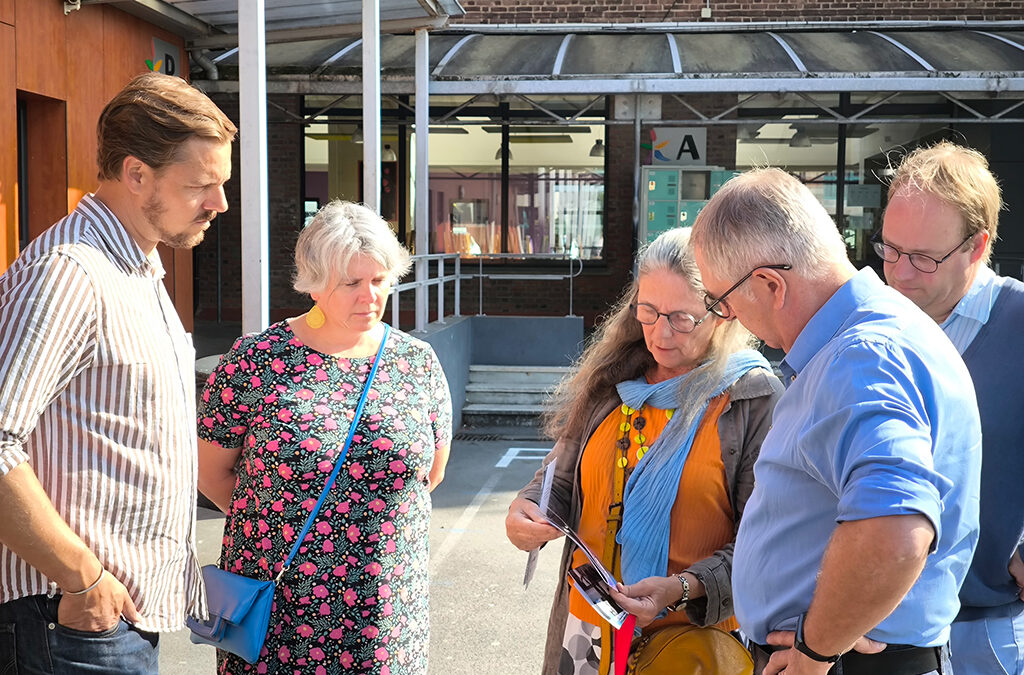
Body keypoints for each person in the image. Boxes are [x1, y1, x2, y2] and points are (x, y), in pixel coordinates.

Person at [691, 167, 982, 675]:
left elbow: (896, 527)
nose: (729, 317)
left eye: (723, 300)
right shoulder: (876, 333)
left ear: (769, 284)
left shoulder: (860, 356)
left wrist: (817, 648)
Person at [0, 71, 235, 672]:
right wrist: (82, 580)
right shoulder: (71, 273)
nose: (220, 203)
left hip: (104, 620)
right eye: (202, 185)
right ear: (136, 175)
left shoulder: (137, 267)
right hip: (70, 622)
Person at [505, 227, 783, 674]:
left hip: (689, 645)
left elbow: (767, 545)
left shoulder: (751, 398)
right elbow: (557, 478)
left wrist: (683, 587)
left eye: (681, 318)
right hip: (588, 632)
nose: (659, 333)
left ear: (724, 312)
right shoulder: (614, 381)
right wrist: (528, 509)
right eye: (648, 312)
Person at [197, 200, 453, 675]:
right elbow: (211, 473)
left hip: (387, 611)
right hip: (280, 608)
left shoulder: (415, 363)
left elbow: (430, 472)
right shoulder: (257, 360)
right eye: (350, 283)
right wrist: (288, 522)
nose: (368, 297)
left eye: (378, 281)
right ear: (314, 283)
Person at [880, 141, 1024, 674]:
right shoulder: (875, 323)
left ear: (978, 246)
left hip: (985, 631)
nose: (900, 272)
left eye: (923, 257)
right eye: (890, 249)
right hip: (876, 632)